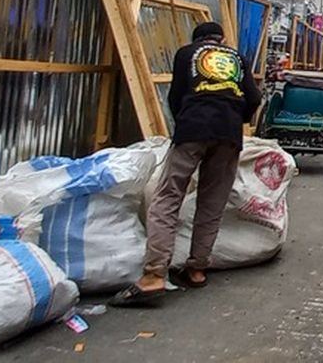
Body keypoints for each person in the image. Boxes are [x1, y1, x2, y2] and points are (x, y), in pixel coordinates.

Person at [112, 22, 261, 306]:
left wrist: (185, 121)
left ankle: (155, 275)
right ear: (222, 39)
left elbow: (176, 96)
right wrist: (234, 117)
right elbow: (253, 97)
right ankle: (197, 268)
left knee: (168, 197)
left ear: (196, 40)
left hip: (193, 128)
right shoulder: (237, 58)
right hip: (229, 134)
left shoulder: (185, 54)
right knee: (212, 200)